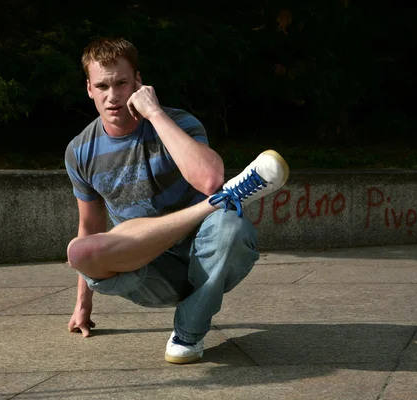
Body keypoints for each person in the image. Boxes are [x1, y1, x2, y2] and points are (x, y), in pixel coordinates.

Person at [64, 37, 289, 364]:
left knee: (230, 223)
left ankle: (188, 333)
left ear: (139, 82)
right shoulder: (80, 151)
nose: (112, 96)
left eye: (122, 83)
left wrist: (154, 113)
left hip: (208, 257)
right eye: (102, 86)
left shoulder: (178, 124)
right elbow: (90, 226)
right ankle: (216, 202)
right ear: (89, 88)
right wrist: (83, 305)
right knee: (80, 252)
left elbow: (210, 179)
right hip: (148, 271)